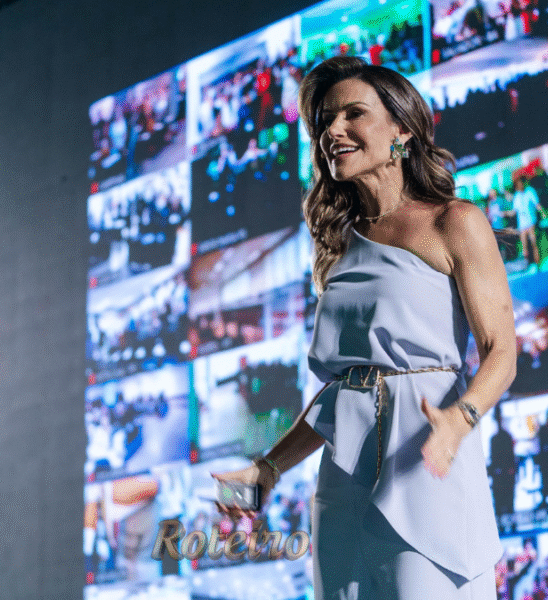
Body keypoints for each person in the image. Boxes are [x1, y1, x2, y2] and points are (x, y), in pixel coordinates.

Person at [212, 56, 516, 599]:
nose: (333, 131)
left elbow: (501, 350)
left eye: (353, 114)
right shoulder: (337, 245)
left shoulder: (456, 221)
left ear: (402, 129)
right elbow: (344, 392)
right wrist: (268, 468)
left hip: (423, 462)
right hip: (342, 484)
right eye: (325, 121)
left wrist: (459, 419)